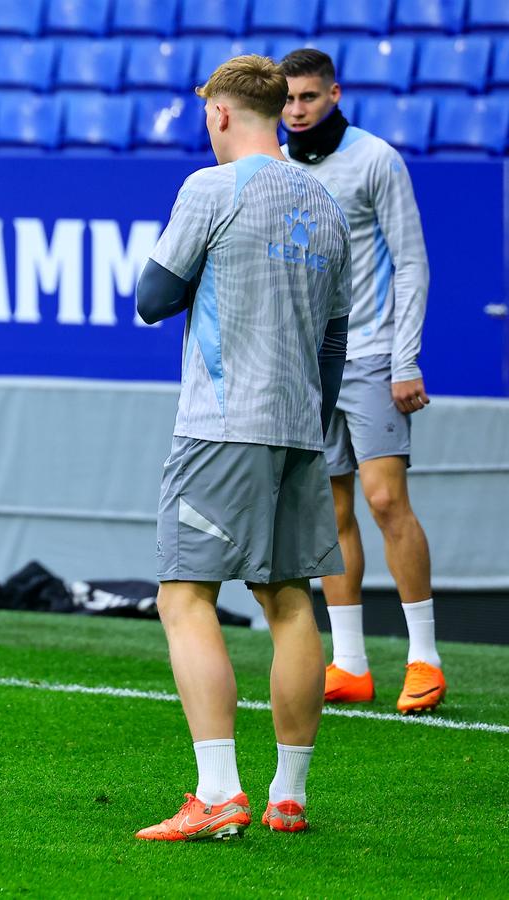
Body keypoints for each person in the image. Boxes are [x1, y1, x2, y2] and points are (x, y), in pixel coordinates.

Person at [132, 57, 352, 841]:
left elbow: (152, 300)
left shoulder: (210, 189)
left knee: (184, 595)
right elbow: (336, 341)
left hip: (223, 424)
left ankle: (218, 790)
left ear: (222, 114)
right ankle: (288, 795)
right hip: (300, 427)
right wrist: (312, 418)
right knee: (290, 600)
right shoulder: (325, 203)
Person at [279, 48, 442, 715]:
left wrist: (406, 359)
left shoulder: (376, 159)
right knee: (332, 509)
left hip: (372, 354)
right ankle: (349, 663)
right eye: (288, 99)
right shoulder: (279, 166)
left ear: (335, 94)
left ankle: (425, 658)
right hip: (308, 362)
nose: (296, 110)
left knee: (384, 501)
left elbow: (411, 263)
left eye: (309, 97)